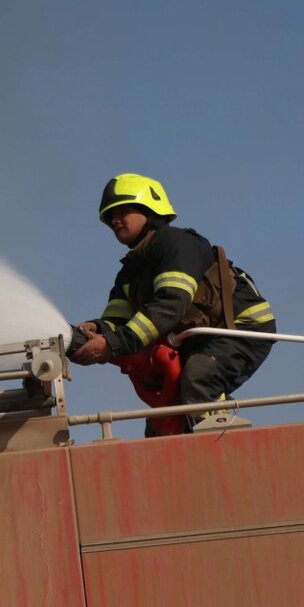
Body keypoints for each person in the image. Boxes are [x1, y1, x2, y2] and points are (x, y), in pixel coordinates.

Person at [69, 172, 276, 433]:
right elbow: (117, 321)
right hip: (197, 338)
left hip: (240, 329)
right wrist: (96, 330)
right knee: (164, 412)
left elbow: (170, 305)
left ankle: (217, 446)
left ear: (150, 209)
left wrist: (112, 344)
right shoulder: (131, 269)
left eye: (123, 210)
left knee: (199, 377)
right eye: (111, 216)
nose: (116, 220)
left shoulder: (176, 245)